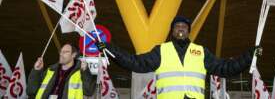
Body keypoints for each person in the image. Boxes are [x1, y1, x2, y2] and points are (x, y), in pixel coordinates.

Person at [96, 16, 262, 99]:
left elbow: (225, 68)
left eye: (184, 26)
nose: (181, 28)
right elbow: (135, 62)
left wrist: (249, 55)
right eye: (177, 26)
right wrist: (110, 48)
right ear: (172, 31)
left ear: (189, 31)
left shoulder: (201, 51)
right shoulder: (161, 50)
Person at [27, 43, 96, 99]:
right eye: (61, 51)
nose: (61, 54)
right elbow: (31, 91)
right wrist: (36, 71)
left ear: (74, 55)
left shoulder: (80, 72)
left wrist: (85, 72)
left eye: (65, 52)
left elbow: (89, 91)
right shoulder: (50, 70)